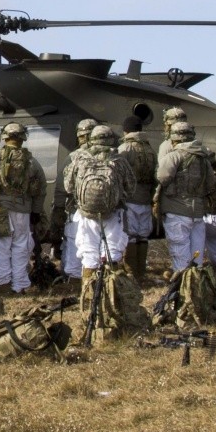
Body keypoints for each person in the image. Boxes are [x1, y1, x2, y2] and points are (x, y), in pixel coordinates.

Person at [0, 121, 47, 294]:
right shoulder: (31, 162)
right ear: (22, 138)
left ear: (4, 137)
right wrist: (36, 211)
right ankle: (20, 284)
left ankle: (3, 285)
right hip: (22, 211)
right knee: (21, 246)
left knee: (0, 247)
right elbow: (41, 189)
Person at [65, 123, 126, 300]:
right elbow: (130, 186)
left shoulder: (80, 158)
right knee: (112, 250)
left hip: (86, 213)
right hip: (113, 212)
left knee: (88, 250)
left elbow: (68, 186)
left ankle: (88, 292)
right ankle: (111, 292)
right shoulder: (119, 160)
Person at [155, 120, 212, 275]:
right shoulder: (203, 158)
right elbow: (211, 184)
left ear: (174, 138)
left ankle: (183, 286)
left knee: (180, 253)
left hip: (176, 210)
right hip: (198, 213)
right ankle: (197, 282)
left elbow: (162, 178)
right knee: (197, 253)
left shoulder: (173, 156)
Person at [116, 118, 158, 284]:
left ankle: (131, 271)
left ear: (126, 131)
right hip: (146, 198)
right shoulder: (149, 149)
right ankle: (141, 271)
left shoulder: (124, 148)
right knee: (143, 235)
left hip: (130, 198)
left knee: (131, 235)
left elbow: (118, 173)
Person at [63, 118, 98, 280]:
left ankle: (75, 278)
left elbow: (64, 186)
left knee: (74, 242)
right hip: (104, 209)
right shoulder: (109, 154)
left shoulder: (74, 157)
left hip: (78, 208)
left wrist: (58, 206)